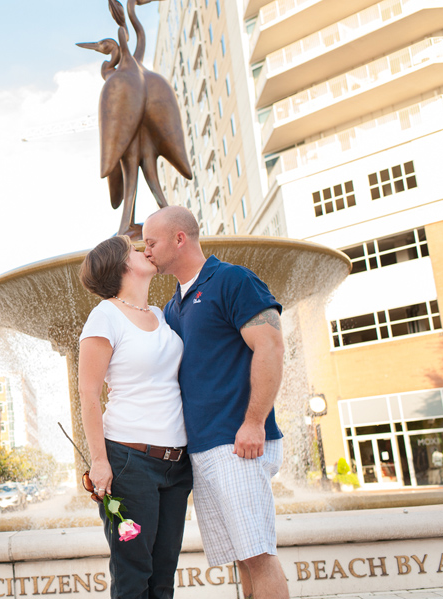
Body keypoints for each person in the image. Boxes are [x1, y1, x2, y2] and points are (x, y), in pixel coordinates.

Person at [142, 206, 288, 599]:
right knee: (243, 557)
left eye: (151, 242)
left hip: (238, 441)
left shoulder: (232, 280)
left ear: (179, 238)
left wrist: (254, 422)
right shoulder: (174, 306)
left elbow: (271, 346)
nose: (146, 251)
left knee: (258, 554)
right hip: (204, 450)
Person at [78, 235, 192, 599]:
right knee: (133, 575)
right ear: (121, 264)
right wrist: (99, 462)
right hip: (130, 462)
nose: (144, 250)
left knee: (163, 577)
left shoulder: (158, 314)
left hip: (176, 464)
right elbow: (88, 394)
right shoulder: (105, 315)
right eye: (133, 249)